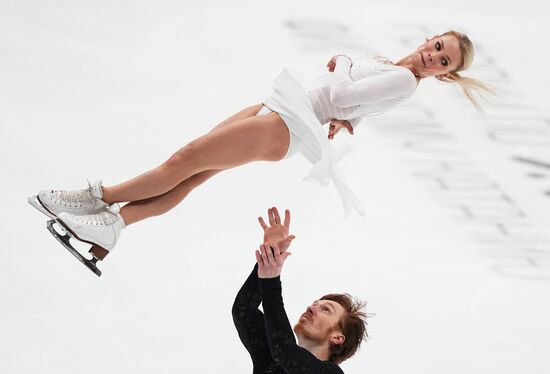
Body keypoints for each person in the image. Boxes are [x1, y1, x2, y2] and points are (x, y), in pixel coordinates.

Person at [30, 30, 490, 267]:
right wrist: (348, 122)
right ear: (430, 37)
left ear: (445, 75)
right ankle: (114, 224)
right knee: (192, 170)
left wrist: (344, 63)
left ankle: (100, 201)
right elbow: (354, 107)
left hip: (287, 124)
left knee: (183, 161)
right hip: (284, 109)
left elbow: (346, 93)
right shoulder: (395, 68)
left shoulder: (405, 78)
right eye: (437, 45)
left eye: (444, 60)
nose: (434, 55)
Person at [232, 207, 368, 373]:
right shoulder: (272, 357)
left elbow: (285, 352)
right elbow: (243, 310)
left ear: (337, 337)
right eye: (315, 304)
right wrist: (272, 255)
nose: (311, 308)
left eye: (326, 310)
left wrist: (270, 282)